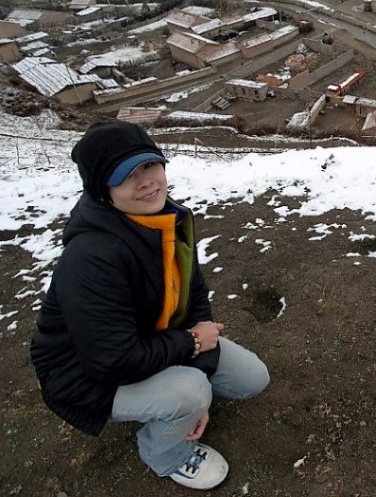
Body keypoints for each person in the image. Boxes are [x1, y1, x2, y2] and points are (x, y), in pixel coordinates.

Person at [30, 121, 269, 491]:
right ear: (102, 189)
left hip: (151, 340)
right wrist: (192, 348)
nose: (146, 181)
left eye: (150, 165)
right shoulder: (92, 256)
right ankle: (164, 454)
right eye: (126, 175)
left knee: (252, 379)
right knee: (189, 392)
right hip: (84, 375)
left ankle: (179, 401)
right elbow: (111, 360)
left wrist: (200, 361)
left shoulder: (165, 220)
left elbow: (195, 292)